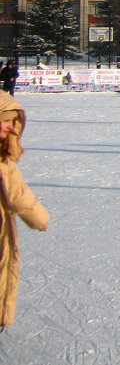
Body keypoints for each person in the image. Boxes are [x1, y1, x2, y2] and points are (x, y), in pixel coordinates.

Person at [0, 89, 50, 329]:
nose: (10, 127)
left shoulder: (4, 156)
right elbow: (15, 193)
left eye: (13, 122)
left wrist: (39, 218)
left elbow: (17, 191)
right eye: (5, 121)